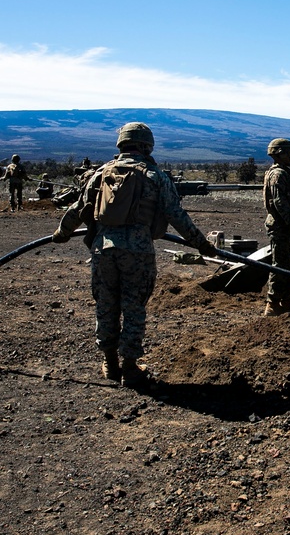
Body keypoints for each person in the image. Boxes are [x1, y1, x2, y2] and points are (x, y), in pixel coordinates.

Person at [51, 122, 215, 388]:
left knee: (106, 304)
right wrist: (201, 244)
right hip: (137, 252)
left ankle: (109, 362)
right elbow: (176, 215)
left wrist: (61, 231)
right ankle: (129, 367)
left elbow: (78, 207)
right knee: (133, 307)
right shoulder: (155, 176)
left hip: (103, 250)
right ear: (146, 145)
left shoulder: (101, 173)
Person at [262, 138, 290, 316]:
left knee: (287, 263)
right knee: (279, 264)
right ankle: (272, 303)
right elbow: (279, 202)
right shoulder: (278, 174)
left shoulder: (284, 173)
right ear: (280, 154)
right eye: (289, 153)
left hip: (283, 225)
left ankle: (285, 300)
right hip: (280, 225)